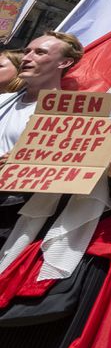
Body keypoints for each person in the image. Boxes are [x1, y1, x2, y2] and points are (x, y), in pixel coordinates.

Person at [0, 72, 111, 348]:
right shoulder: (74, 127)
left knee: (50, 328)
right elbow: (37, 187)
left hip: (85, 251)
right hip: (34, 238)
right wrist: (18, 165)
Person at [0, 32, 83, 241]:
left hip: (11, 210)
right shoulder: (4, 100)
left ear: (64, 62)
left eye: (39, 53)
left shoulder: (66, 115)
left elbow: (66, 175)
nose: (27, 58)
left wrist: (25, 162)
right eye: (27, 51)